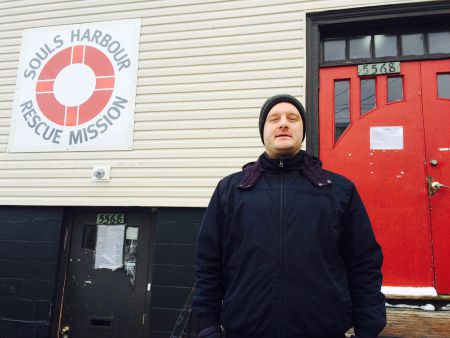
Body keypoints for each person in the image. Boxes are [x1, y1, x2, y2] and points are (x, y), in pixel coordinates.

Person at [192, 94, 386, 338]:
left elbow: (363, 262)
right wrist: (208, 324)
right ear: (263, 131)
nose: (283, 123)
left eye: (292, 118)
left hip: (322, 330)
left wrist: (369, 324)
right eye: (274, 119)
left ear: (302, 131)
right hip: (245, 329)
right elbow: (208, 263)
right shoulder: (230, 191)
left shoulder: (338, 190)